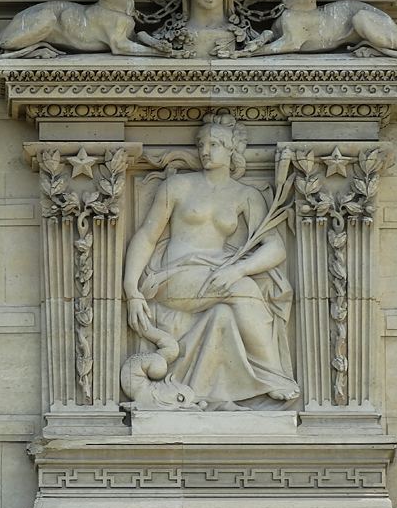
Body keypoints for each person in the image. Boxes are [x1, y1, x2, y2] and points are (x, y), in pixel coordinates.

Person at [123, 112, 299, 408]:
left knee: (225, 313)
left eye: (215, 144)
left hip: (218, 278)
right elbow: (147, 236)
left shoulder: (246, 195)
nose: (205, 151)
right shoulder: (178, 187)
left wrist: (238, 269)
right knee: (245, 289)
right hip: (175, 278)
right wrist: (131, 290)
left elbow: (276, 248)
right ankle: (273, 376)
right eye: (202, 144)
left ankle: (212, 388)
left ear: (232, 150)